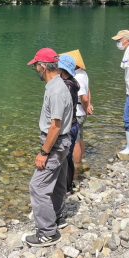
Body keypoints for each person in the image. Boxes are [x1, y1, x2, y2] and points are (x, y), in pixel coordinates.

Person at [24, 48, 73, 247]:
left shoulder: (56, 90)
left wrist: (44, 152)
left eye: (36, 65)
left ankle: (47, 232)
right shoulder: (58, 84)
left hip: (56, 143)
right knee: (59, 181)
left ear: (43, 67)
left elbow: (55, 126)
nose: (35, 69)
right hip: (63, 143)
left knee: (37, 186)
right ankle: (58, 217)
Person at [62, 49, 93, 183]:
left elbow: (84, 97)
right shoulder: (83, 73)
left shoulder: (77, 76)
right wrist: (89, 106)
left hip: (79, 111)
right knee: (80, 137)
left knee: (75, 141)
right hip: (82, 110)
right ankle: (80, 160)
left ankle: (77, 164)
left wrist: (87, 107)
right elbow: (88, 91)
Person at [57, 54, 80, 193]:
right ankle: (68, 185)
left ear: (62, 70)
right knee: (68, 158)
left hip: (68, 127)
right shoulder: (73, 82)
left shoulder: (66, 86)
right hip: (74, 124)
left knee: (63, 159)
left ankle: (64, 187)